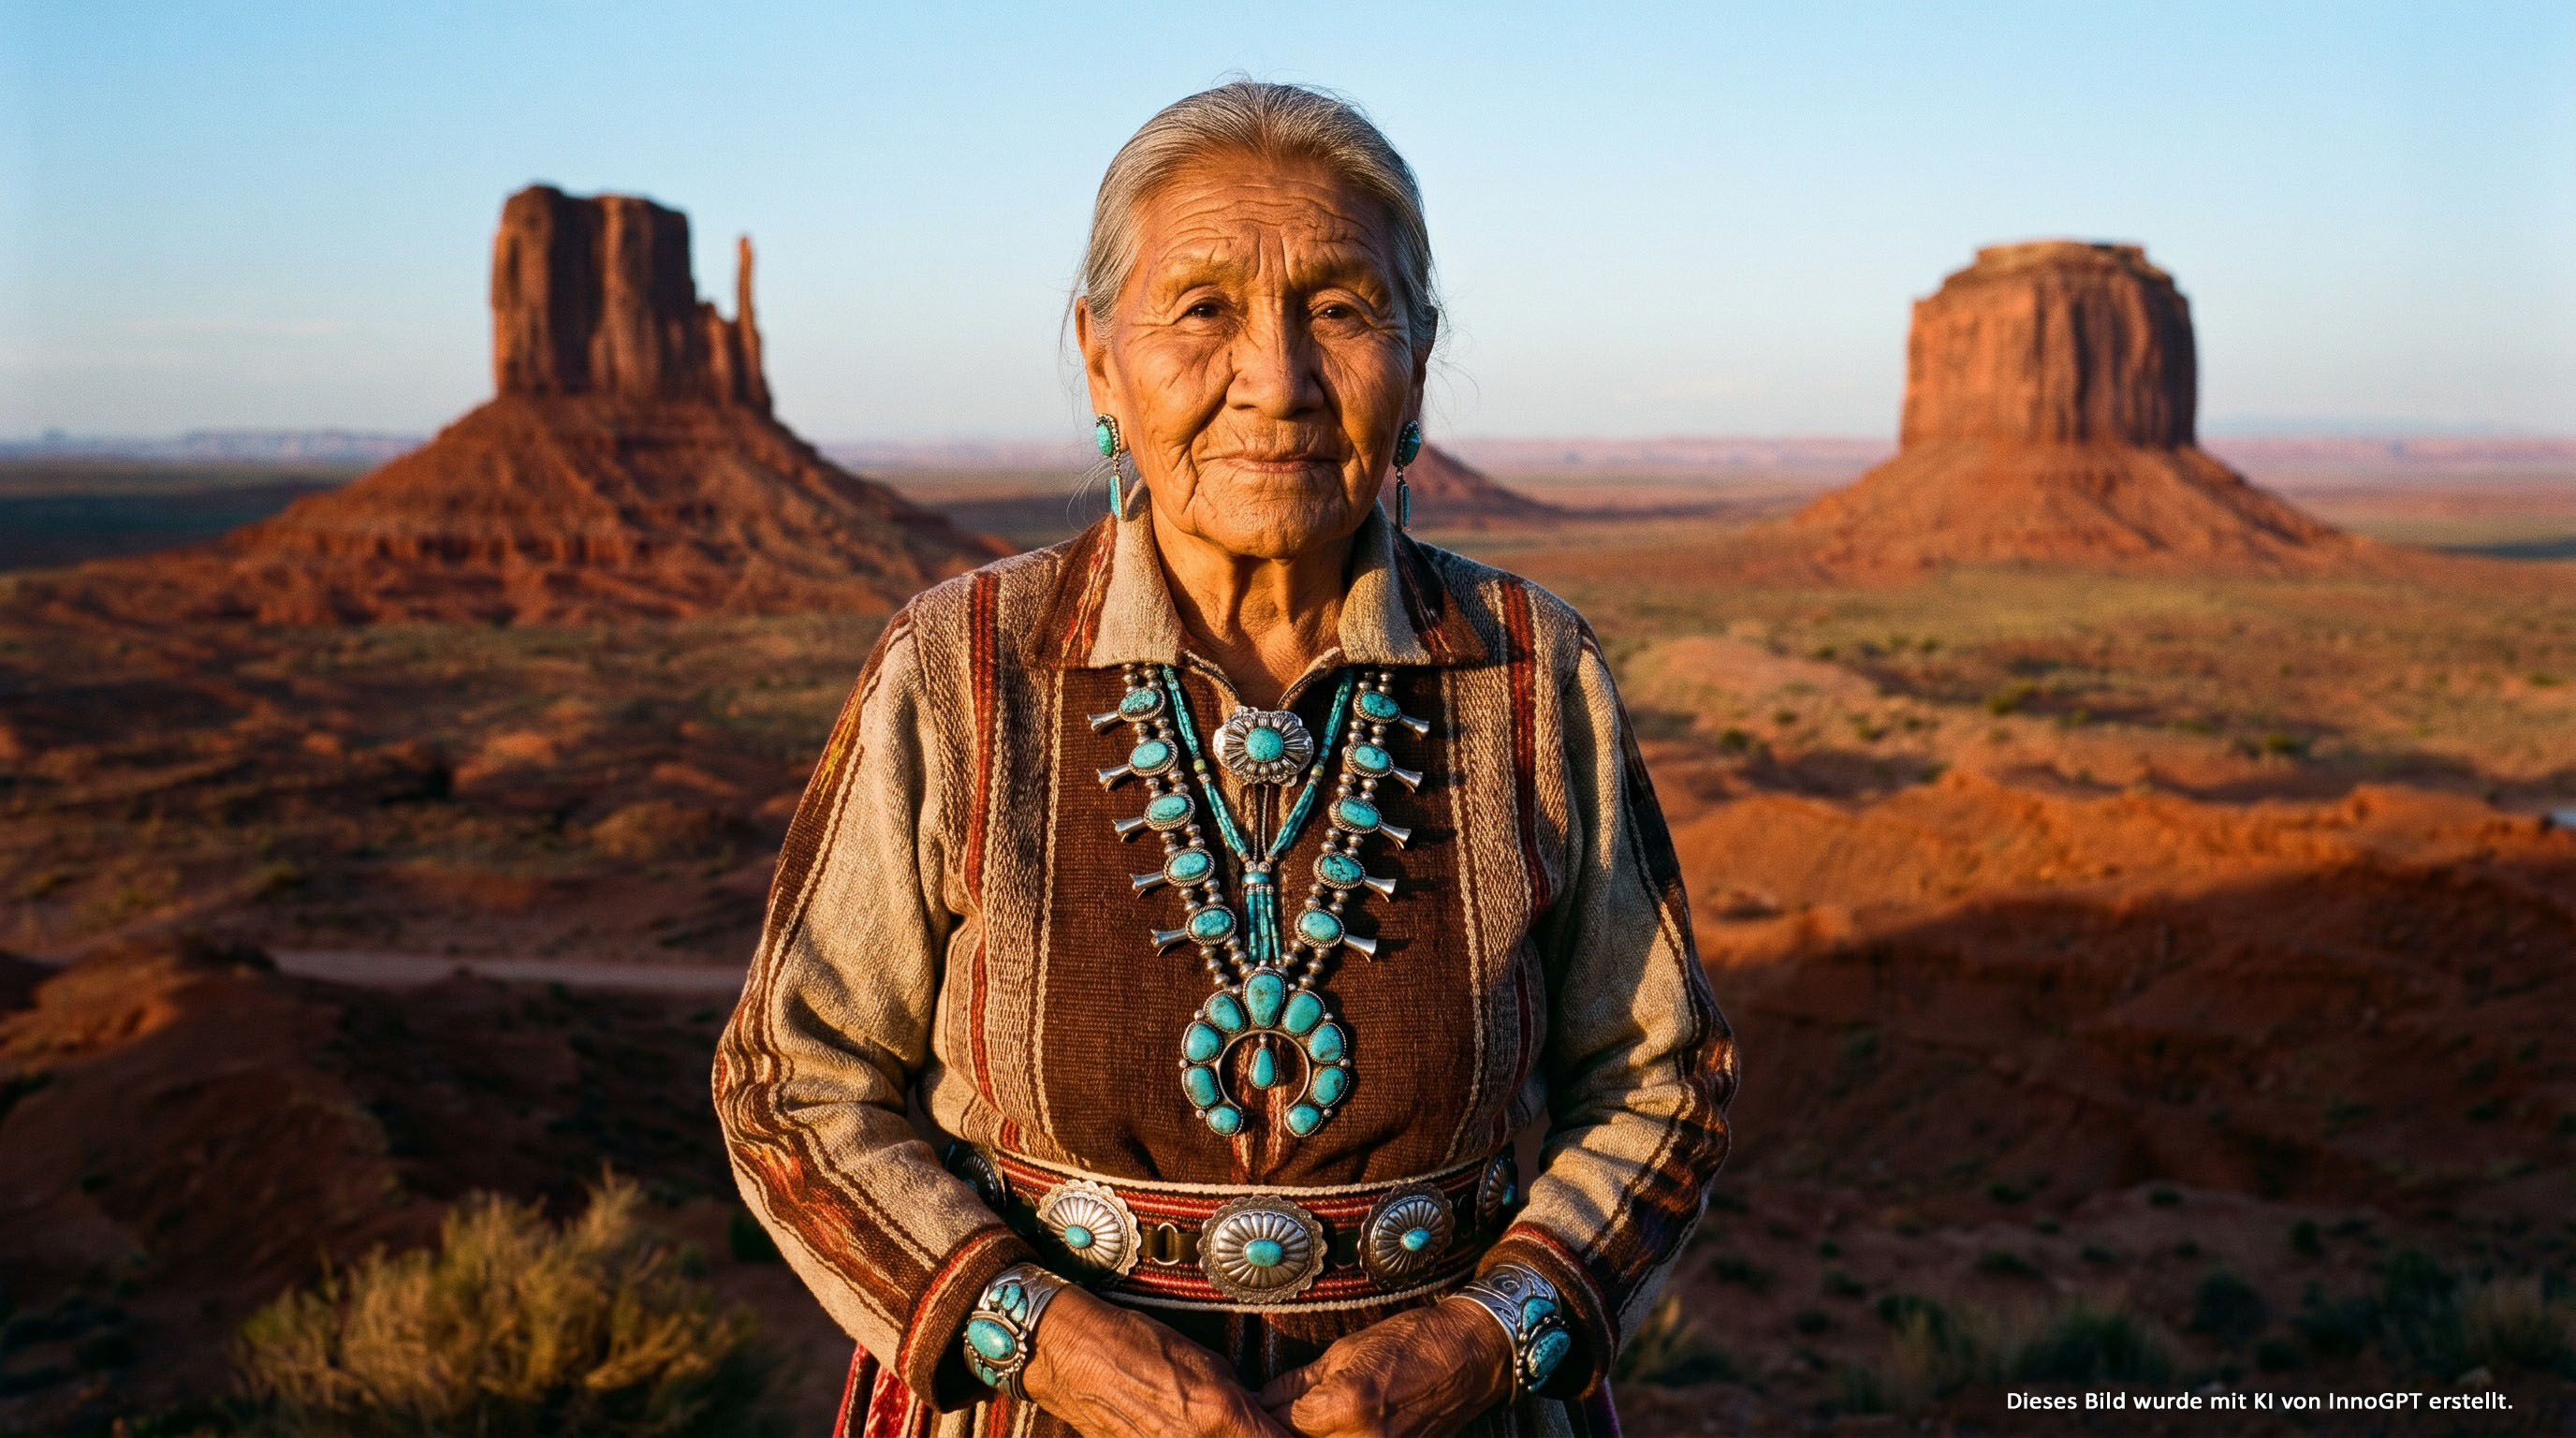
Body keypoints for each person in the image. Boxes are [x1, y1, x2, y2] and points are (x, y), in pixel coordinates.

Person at [715, 81, 1736, 1438]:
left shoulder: (1531, 671)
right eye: (1202, 310)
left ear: (1418, 359)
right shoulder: (965, 665)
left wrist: (1485, 1340)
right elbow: (790, 1078)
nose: (1278, 380)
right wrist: (1055, 1344)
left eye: (1340, 308)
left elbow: (1664, 1076)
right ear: (1100, 359)